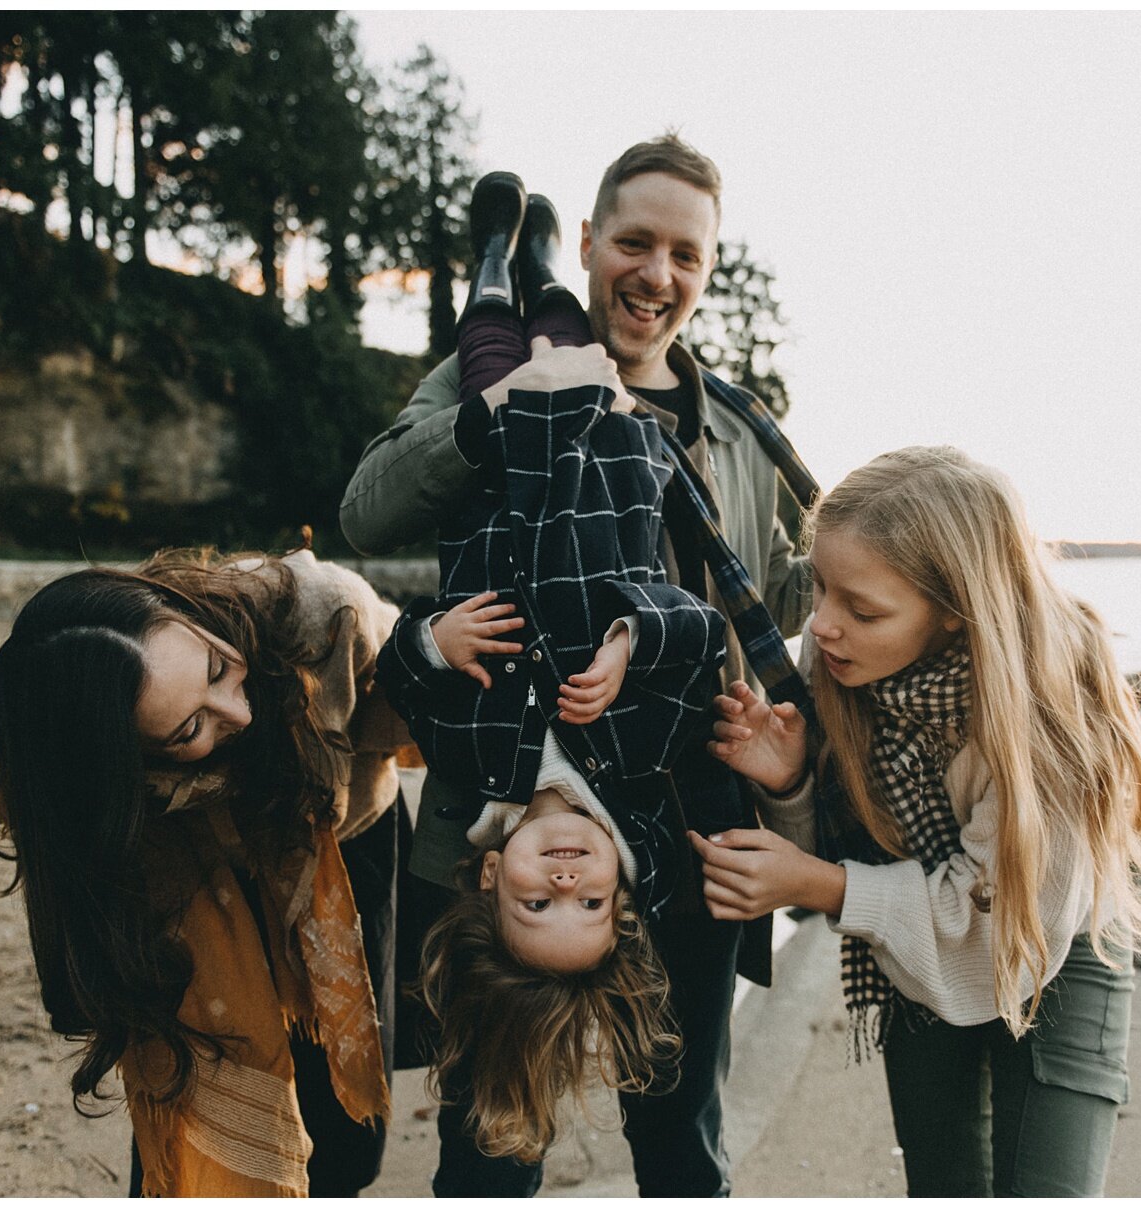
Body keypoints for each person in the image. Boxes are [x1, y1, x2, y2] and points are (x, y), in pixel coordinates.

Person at [339, 134, 816, 1197]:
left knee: (681, 1117)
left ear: (707, 267)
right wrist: (496, 412)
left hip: (700, 819)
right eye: (637, 242)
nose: (658, 273)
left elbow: (789, 590)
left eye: (686, 254)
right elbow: (365, 511)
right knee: (491, 1126)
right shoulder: (487, 381)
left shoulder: (740, 429)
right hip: (504, 813)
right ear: (593, 245)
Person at [695, 446, 1141, 1197]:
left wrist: (821, 886)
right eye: (819, 588)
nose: (821, 625)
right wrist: (789, 782)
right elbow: (841, 853)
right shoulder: (839, 661)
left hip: (1059, 943)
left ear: (954, 613)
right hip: (912, 949)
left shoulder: (1050, 701)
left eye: (862, 608)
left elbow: (987, 902)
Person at [0, 542, 411, 1196]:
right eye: (188, 733)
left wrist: (427, 651)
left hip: (342, 854)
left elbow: (407, 699)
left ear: (182, 609)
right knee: (196, 1108)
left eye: (217, 670)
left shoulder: (323, 611)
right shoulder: (106, 802)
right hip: (204, 875)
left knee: (345, 1141)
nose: (238, 714)